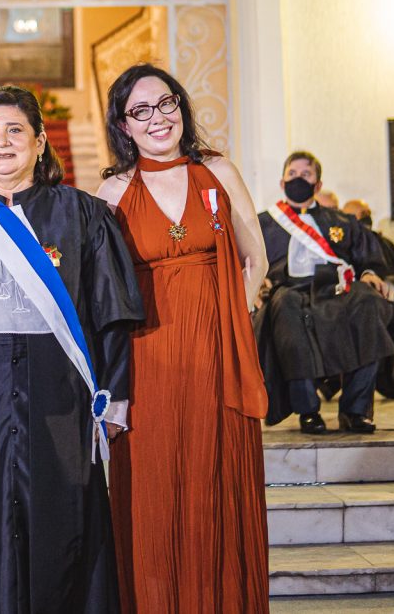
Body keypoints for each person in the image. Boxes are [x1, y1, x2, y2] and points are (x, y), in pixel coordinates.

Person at [0, 86, 144, 613]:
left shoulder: (84, 215)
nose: (2, 142)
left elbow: (111, 313)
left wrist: (113, 399)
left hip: (61, 397)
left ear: (42, 141)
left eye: (16, 130)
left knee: (61, 523)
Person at [97, 64, 270, 613]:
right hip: (146, 363)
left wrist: (230, 321)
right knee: (154, 493)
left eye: (165, 104)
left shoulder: (217, 170)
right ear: (123, 126)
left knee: (216, 489)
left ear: (181, 106)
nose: (157, 118)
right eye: (140, 111)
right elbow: (96, 285)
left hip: (217, 359)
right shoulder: (112, 190)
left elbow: (256, 258)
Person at [255, 151, 394, 435]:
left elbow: (368, 257)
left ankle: (355, 411)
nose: (299, 180)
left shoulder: (341, 222)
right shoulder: (263, 223)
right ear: (282, 183)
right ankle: (308, 411)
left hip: (335, 289)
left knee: (368, 304)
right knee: (285, 310)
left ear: (318, 185)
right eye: (292, 174)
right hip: (288, 291)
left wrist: (369, 273)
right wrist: (257, 282)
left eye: (306, 175)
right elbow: (245, 260)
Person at [342, 199, 394, 399]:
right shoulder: (346, 240)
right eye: (360, 213)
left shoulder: (381, 241)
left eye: (366, 211)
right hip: (352, 296)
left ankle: (391, 374)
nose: (365, 216)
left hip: (386, 291)